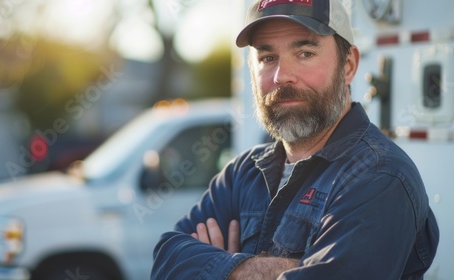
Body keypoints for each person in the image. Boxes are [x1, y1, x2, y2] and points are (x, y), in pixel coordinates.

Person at [151, 0, 439, 279]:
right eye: (267, 58)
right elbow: (166, 259)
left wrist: (219, 267)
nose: (282, 76)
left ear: (348, 65)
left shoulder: (380, 177)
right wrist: (264, 270)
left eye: (305, 53)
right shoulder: (241, 174)